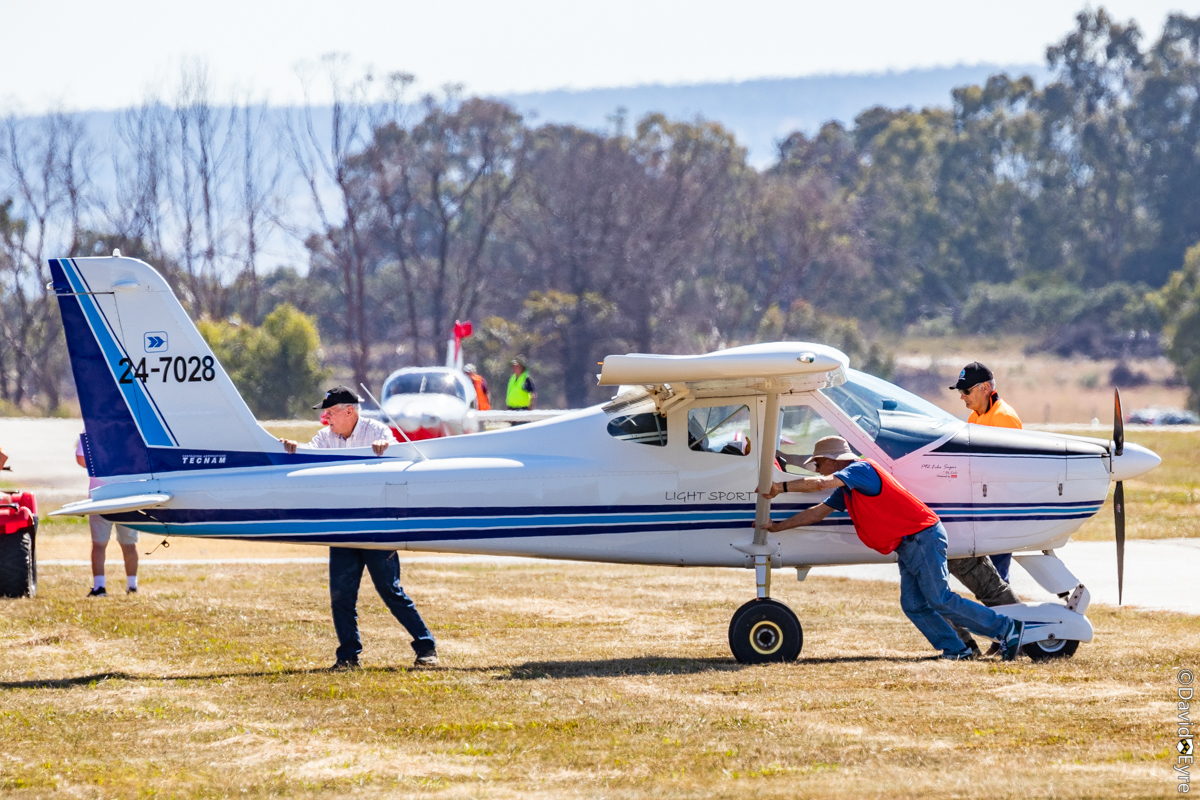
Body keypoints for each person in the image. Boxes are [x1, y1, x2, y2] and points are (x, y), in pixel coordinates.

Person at [762, 436, 1024, 661]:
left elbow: (819, 485)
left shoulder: (860, 470)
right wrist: (777, 527)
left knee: (940, 598)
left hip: (921, 537)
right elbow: (815, 514)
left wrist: (779, 488)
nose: (817, 469)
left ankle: (1006, 629)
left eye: (818, 463)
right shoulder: (849, 487)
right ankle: (956, 649)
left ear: (834, 460)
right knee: (913, 604)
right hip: (908, 543)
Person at [280, 386, 438, 669]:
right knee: (341, 595)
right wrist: (293, 447)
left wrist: (385, 449)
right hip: (342, 526)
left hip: (376, 524)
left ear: (349, 411)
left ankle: (426, 647)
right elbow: (308, 455)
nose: (325, 417)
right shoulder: (325, 437)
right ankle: (348, 657)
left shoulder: (377, 432)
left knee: (390, 590)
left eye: (330, 412)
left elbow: (395, 454)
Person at [948, 361, 1024, 655]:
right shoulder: (975, 417)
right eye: (960, 391)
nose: (962, 396)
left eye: (966, 391)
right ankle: (1001, 635)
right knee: (989, 576)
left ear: (985, 388)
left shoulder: (1004, 418)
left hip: (999, 510)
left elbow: (1005, 471)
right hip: (981, 509)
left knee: (996, 578)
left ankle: (1005, 637)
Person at [77, 435, 139, 597]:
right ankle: (132, 585)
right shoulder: (130, 428)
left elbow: (81, 459)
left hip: (100, 495)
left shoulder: (90, 429)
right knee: (129, 544)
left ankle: (100, 586)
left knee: (99, 544)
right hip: (128, 495)